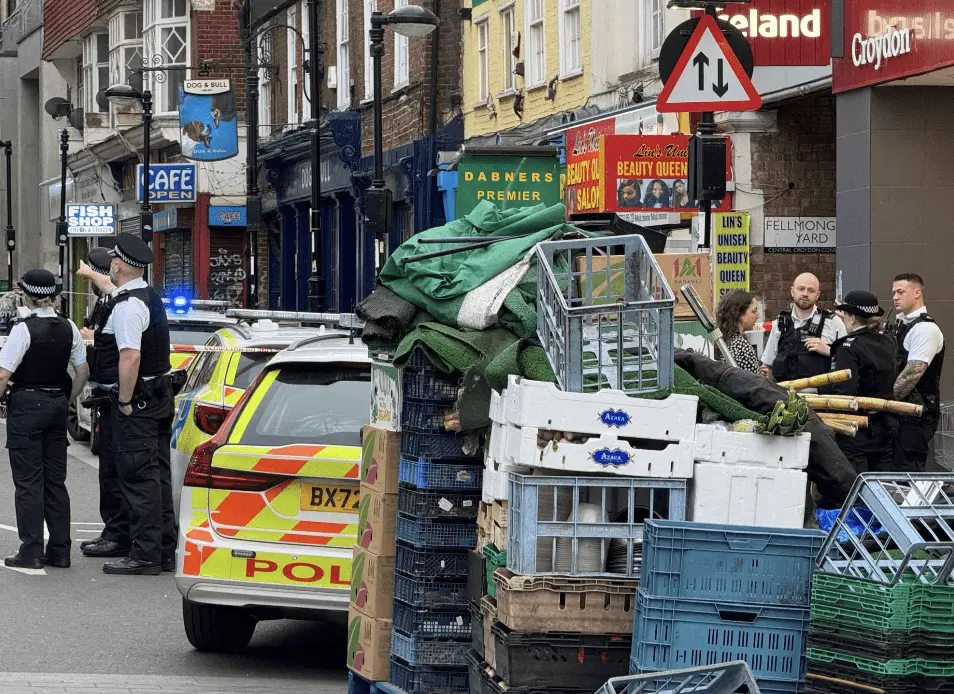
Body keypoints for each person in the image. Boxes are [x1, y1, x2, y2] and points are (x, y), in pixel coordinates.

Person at [94, 234, 177, 575]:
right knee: (156, 477)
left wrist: (125, 401)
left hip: (138, 402)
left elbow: (130, 357)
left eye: (112, 262)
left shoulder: (129, 307)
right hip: (157, 397)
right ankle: (161, 549)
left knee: (139, 479)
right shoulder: (146, 296)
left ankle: (145, 555)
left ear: (117, 264)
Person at [0, 269, 88, 569]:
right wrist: (66, 398)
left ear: (26, 295)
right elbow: (82, 372)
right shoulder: (69, 327)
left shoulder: (23, 330)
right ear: (53, 296)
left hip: (26, 405)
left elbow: (3, 374)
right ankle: (61, 550)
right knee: (55, 482)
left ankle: (31, 550)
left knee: (28, 483)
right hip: (56, 405)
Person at [75, 248, 132, 560]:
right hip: (108, 395)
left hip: (117, 398)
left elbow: (120, 349)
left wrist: (92, 339)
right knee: (110, 470)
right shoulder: (111, 300)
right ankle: (115, 531)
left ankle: (117, 534)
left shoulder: (116, 300)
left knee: (113, 471)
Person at [822, 291, 897, 473]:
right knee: (882, 486)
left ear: (852, 318)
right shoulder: (888, 340)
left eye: (846, 315)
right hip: (885, 424)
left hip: (857, 429)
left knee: (855, 486)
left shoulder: (848, 347)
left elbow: (844, 392)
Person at [888, 273, 945, 472]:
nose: (895, 296)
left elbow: (912, 374)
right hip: (899, 412)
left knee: (908, 470)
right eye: (894, 292)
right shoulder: (900, 325)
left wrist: (883, 402)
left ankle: (912, 505)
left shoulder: (924, 329)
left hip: (916, 413)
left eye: (901, 292)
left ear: (917, 292)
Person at [761, 273, 846, 386]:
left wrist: (828, 350)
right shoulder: (780, 323)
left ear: (817, 295)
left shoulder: (833, 323)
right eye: (801, 289)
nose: (805, 294)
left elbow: (848, 362)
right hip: (784, 394)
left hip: (820, 397)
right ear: (792, 291)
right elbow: (768, 365)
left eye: (811, 290)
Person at [715, 290, 763, 374]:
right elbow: (755, 383)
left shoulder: (723, 342)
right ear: (740, 314)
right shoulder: (743, 348)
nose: (758, 315)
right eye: (754, 311)